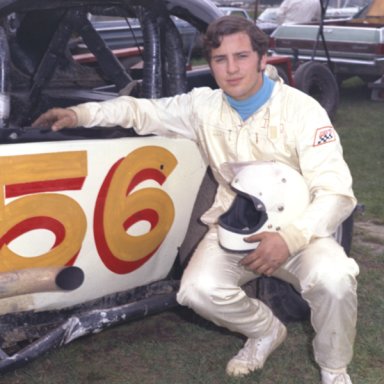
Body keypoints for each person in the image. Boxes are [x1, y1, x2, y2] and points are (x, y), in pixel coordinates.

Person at [32, 15, 359, 384]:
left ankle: (334, 369)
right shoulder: (203, 106)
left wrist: (290, 239)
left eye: (242, 57)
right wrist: (79, 113)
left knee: (336, 279)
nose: (232, 69)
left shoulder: (302, 111)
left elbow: (336, 193)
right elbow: (142, 111)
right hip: (235, 226)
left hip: (301, 231)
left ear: (262, 59)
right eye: (220, 59)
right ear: (211, 64)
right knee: (196, 291)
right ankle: (265, 331)